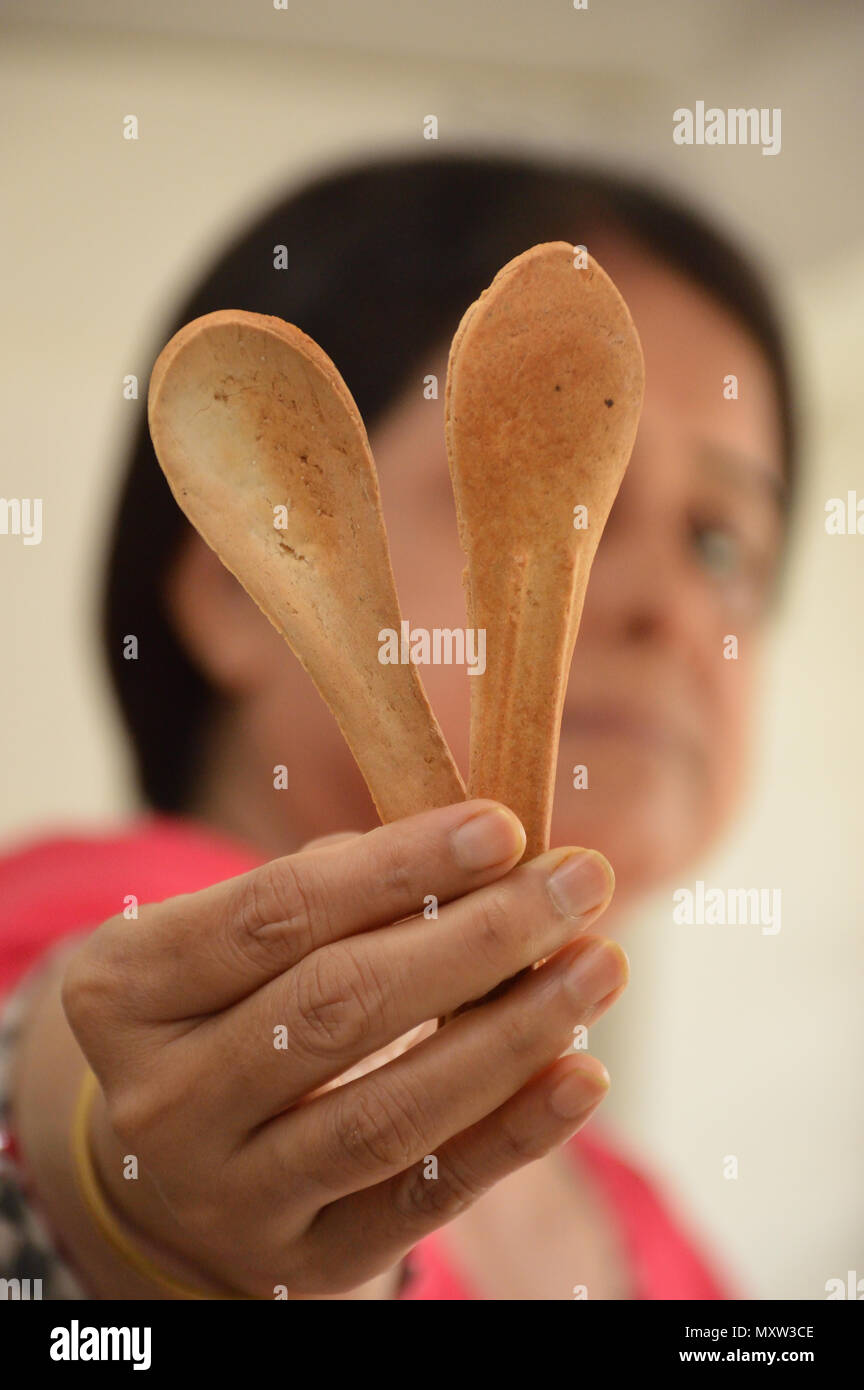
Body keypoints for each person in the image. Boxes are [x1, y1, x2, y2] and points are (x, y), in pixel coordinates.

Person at [0, 151, 796, 1301]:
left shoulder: (645, 1221)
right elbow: (91, 1062)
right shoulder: (102, 919)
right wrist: (132, 1201)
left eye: (721, 539)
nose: (670, 605)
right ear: (242, 584)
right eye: (559, 487)